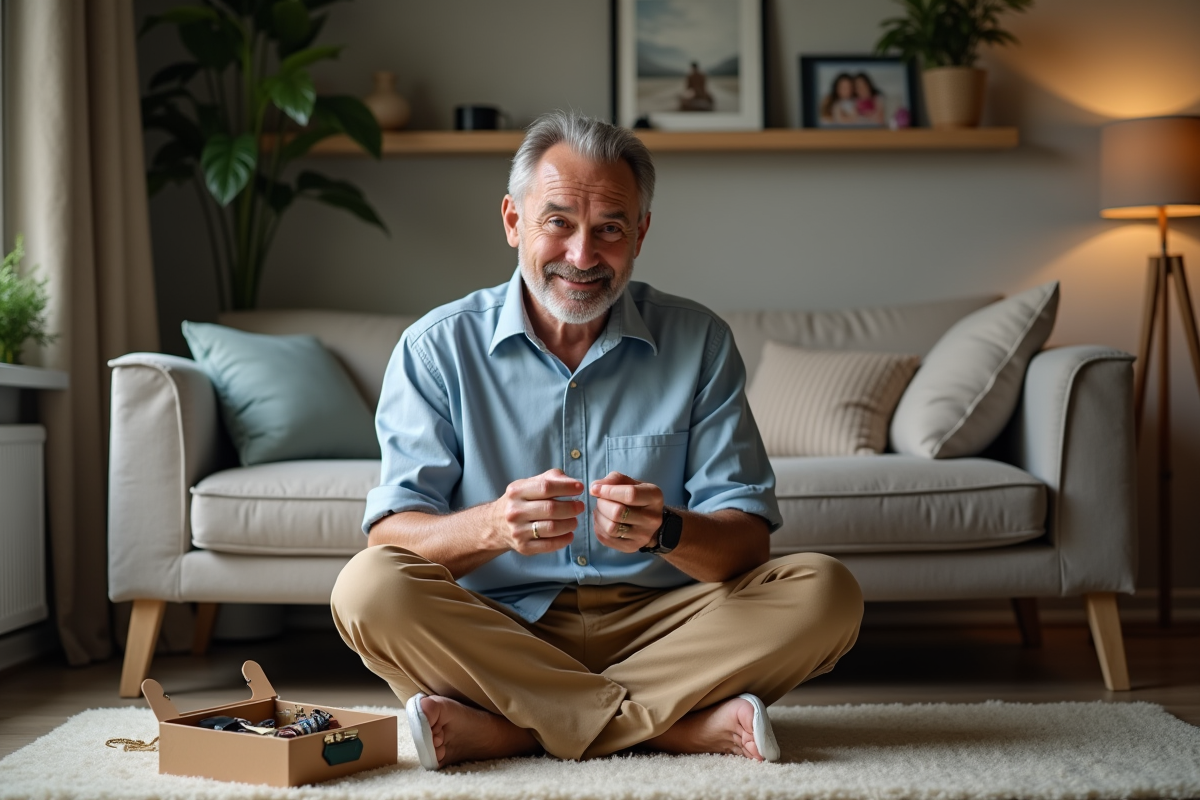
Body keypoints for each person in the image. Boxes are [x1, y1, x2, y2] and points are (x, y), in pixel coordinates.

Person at [330, 110, 863, 770]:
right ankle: (669, 726)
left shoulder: (698, 343)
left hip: (667, 625)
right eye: (559, 223)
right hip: (500, 629)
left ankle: (518, 729)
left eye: (608, 228)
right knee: (367, 590)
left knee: (827, 592)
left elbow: (747, 543)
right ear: (512, 221)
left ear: (639, 233)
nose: (582, 257)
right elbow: (393, 536)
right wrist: (494, 526)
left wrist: (666, 529)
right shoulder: (436, 349)